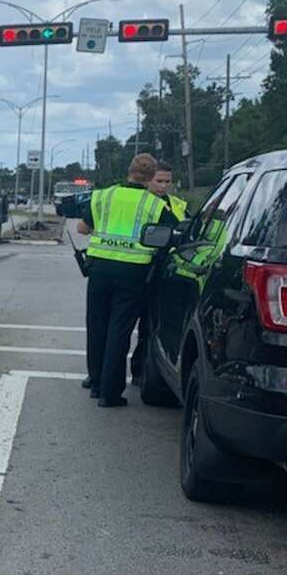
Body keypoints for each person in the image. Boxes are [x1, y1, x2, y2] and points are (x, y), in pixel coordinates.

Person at [77, 152, 172, 407]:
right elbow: (169, 236)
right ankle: (109, 393)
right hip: (133, 274)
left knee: (97, 326)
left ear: (129, 171)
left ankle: (95, 382)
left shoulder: (103, 196)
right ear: (152, 176)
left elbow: (82, 228)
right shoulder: (155, 205)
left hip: (99, 270)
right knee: (119, 331)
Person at [130, 161, 186, 381]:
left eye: (167, 182)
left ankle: (145, 368)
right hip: (140, 268)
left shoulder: (177, 204)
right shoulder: (143, 203)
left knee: (152, 323)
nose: (163, 186)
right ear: (148, 180)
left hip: (167, 270)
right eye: (159, 181)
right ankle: (136, 368)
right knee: (132, 323)